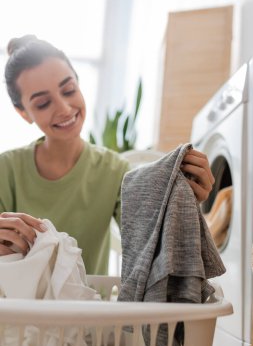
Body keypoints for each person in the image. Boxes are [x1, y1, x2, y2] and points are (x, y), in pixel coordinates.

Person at [0, 35, 215, 273]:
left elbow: (151, 242)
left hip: (89, 307)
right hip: (18, 307)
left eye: (69, 90)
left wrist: (184, 201)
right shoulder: (7, 169)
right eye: (43, 103)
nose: (64, 108)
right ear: (24, 113)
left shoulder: (115, 170)